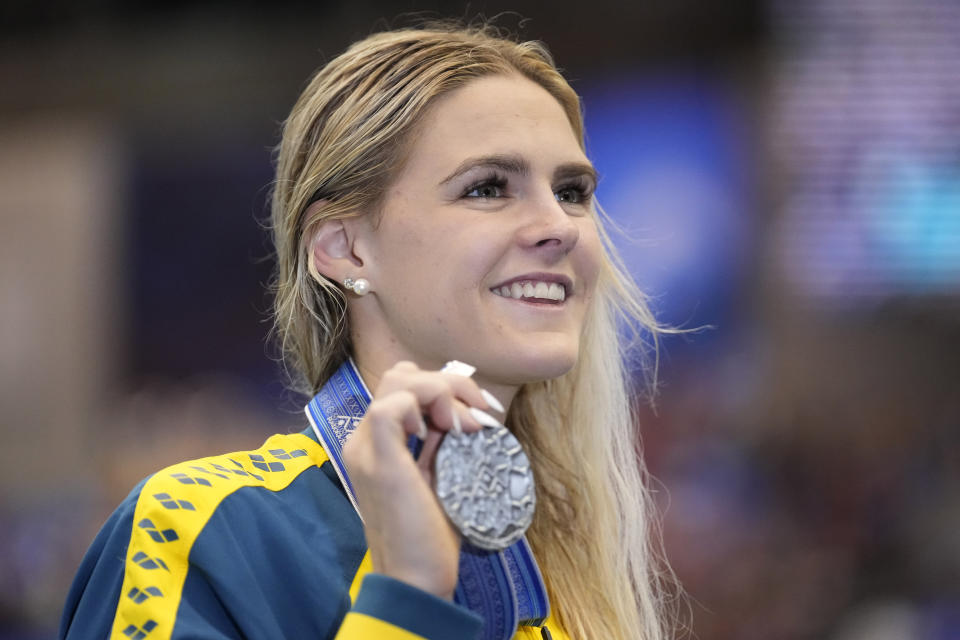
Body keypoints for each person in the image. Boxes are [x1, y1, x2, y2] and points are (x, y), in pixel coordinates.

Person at [59, 22, 676, 640]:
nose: (560, 226)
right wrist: (406, 595)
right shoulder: (196, 531)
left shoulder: (570, 582)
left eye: (572, 192)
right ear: (345, 249)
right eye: (487, 188)